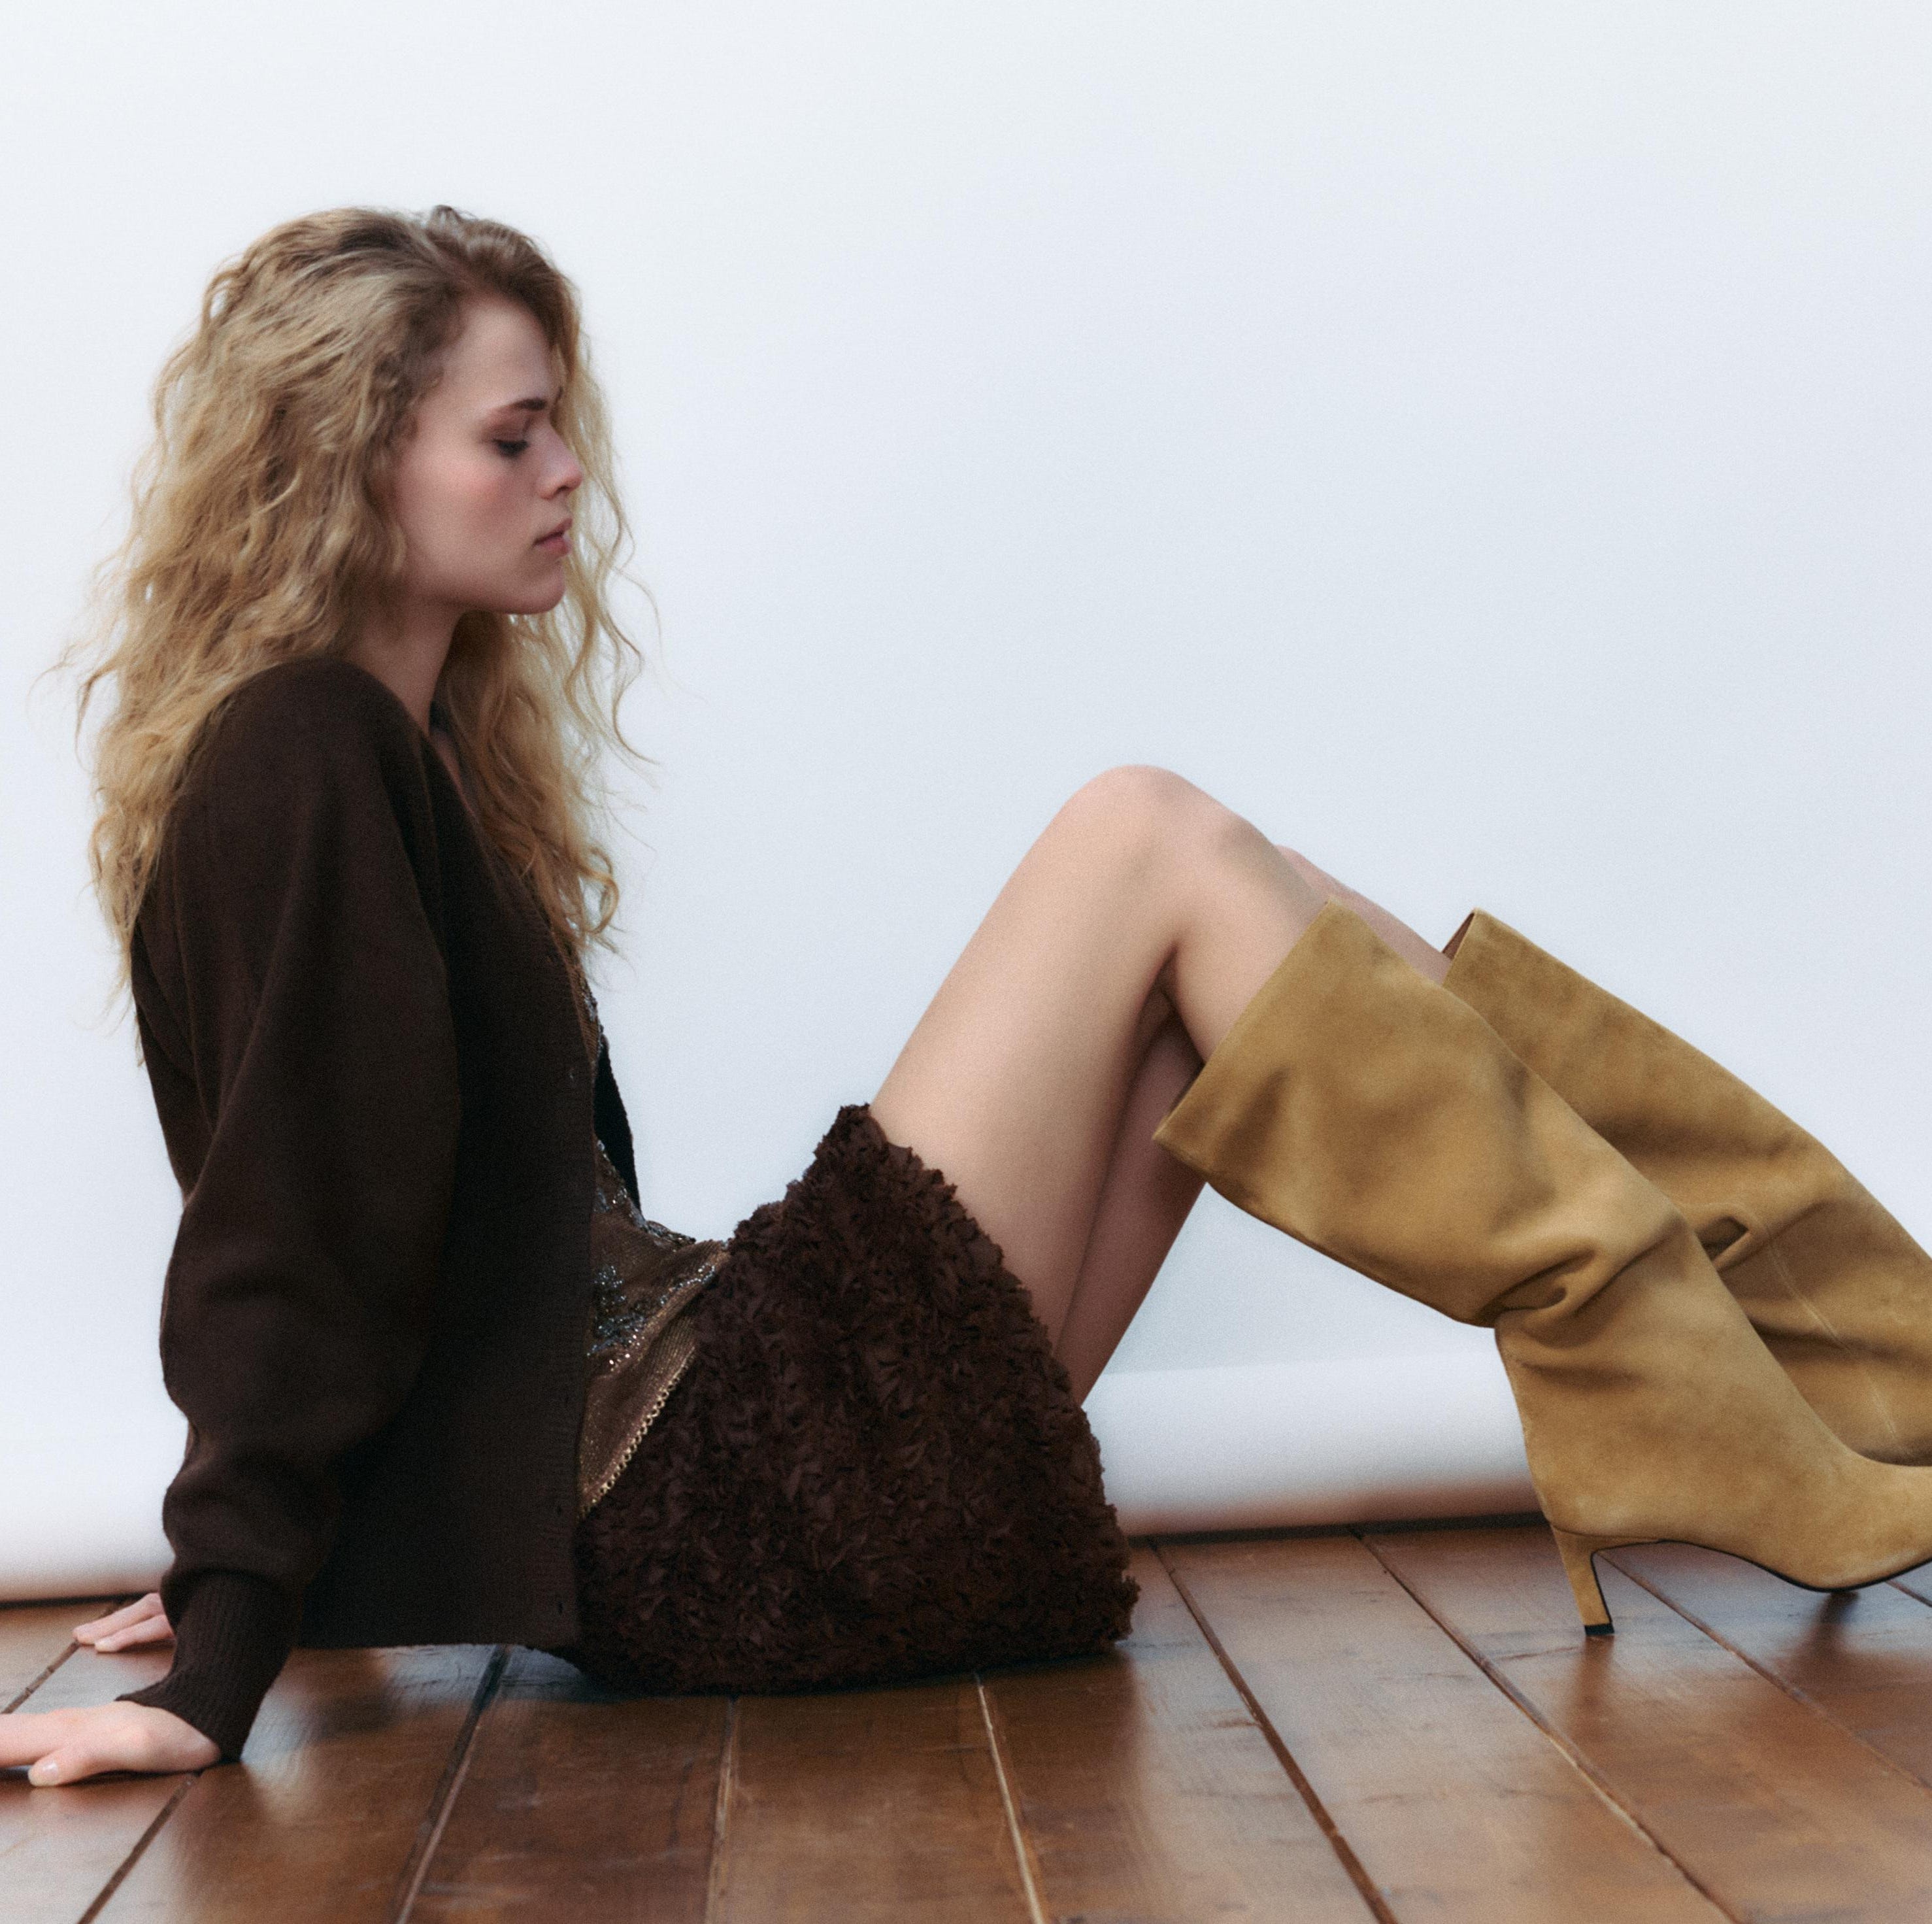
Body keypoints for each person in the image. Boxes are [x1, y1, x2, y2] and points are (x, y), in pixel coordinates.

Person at [10, 205, 1932, 1791]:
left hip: (761, 1504)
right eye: (510, 437)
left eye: (558, 426)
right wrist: (231, 1611)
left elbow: (419, 1238)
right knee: (1143, 835)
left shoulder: (415, 758)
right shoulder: (301, 753)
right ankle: (1698, 1365)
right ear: (350, 464)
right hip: (711, 1505)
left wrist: (292, 1547)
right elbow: (295, 1217)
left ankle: (1835, 1357)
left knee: (1246, 920)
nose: (565, 471)